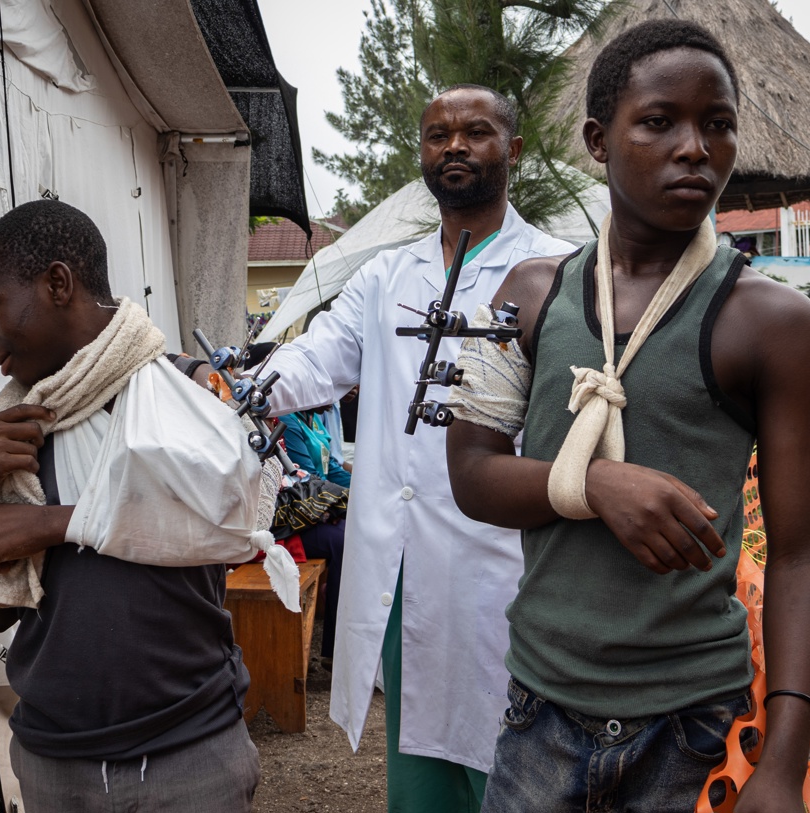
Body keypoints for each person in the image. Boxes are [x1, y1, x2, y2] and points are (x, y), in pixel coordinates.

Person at [445, 19, 810, 813]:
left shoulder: (773, 323)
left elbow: (797, 559)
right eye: (660, 122)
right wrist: (597, 486)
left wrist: (783, 765)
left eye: (717, 124)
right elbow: (472, 475)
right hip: (540, 713)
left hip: (691, 726)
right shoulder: (526, 294)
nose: (696, 147)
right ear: (598, 139)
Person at [260, 84, 575, 811]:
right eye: (438, 135)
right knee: (421, 763)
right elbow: (316, 359)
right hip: (402, 564)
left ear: (514, 151)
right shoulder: (384, 276)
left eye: (475, 132)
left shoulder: (559, 272)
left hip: (505, 565)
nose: (454, 146)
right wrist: (240, 386)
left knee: (513, 760)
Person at [0, 200, 266, 812]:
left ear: (58, 283)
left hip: (189, 751)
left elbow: (228, 524)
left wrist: (57, 523)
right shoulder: (15, 431)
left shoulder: (180, 396)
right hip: (55, 761)